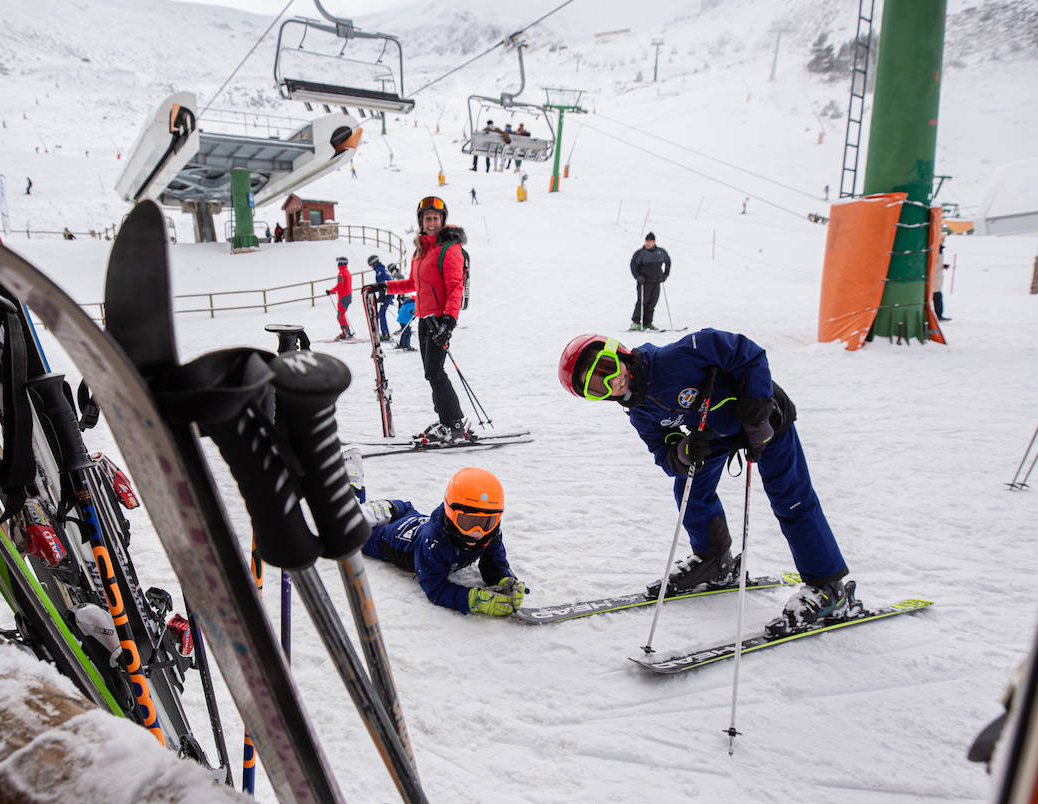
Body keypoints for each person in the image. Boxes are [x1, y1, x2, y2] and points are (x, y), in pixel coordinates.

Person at [557, 329, 850, 637]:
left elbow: (747, 352)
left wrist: (757, 409)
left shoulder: (678, 356)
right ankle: (714, 560)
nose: (611, 383)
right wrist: (683, 452)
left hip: (765, 420)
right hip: (716, 431)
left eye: (606, 368)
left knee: (791, 498)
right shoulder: (640, 412)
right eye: (595, 388)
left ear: (618, 352)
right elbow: (665, 453)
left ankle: (828, 587)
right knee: (689, 485)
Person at [360, 467, 527, 616]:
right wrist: (474, 600)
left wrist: (504, 580)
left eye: (486, 522)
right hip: (383, 538)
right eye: (468, 522)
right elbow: (435, 588)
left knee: (404, 510)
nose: (477, 532)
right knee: (350, 532)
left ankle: (388, 508)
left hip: (413, 517)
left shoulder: (491, 534)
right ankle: (355, 497)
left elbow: (493, 563)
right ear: (450, 513)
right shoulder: (434, 542)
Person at [369, 196, 470, 442]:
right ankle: (446, 419)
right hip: (424, 318)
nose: (432, 222)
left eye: (436, 218)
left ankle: (454, 422)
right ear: (421, 221)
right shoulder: (421, 250)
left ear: (443, 220)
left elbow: (455, 287)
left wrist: (449, 321)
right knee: (431, 373)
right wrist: (385, 287)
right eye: (427, 218)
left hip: (439, 320)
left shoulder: (449, 249)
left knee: (436, 371)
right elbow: (413, 283)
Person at [629, 232, 671, 331]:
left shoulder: (660, 252)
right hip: (644, 282)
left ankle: (648, 322)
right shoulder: (640, 253)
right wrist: (637, 276)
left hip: (656, 281)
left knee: (652, 303)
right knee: (642, 302)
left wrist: (665, 274)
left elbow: (668, 262)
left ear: (654, 242)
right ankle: (636, 322)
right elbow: (633, 265)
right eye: (647, 241)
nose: (648, 243)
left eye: (650, 241)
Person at [366, 254, 394, 341]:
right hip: (387, 295)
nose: (371, 267)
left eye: (371, 265)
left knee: (381, 314)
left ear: (374, 263)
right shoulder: (381, 270)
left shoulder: (380, 271)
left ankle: (385, 333)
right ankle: (384, 331)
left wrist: (385, 296)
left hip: (387, 295)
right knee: (381, 314)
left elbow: (383, 284)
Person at [327, 255, 354, 340]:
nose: (337, 265)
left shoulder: (341, 273)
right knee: (341, 315)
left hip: (343, 297)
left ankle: (346, 332)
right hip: (347, 296)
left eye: (338, 263)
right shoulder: (347, 272)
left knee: (340, 316)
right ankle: (346, 332)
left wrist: (331, 291)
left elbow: (340, 286)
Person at [932, 245, 950, 321]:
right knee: (937, 297)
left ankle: (938, 315)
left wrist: (942, 266)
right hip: (935, 280)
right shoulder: (936, 255)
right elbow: (935, 266)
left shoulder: (939, 256)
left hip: (937, 280)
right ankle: (938, 315)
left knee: (938, 297)